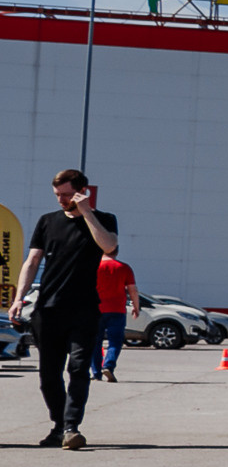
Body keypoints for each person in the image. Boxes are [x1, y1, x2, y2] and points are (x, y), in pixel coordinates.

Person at [10, 168, 119, 449]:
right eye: (58, 194)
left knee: (79, 369)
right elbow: (32, 262)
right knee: (48, 374)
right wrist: (19, 298)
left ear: (83, 192)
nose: (61, 200)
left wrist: (87, 213)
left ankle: (72, 427)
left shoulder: (104, 220)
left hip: (84, 311)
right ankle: (58, 426)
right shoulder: (48, 222)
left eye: (67, 195)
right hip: (47, 310)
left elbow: (109, 247)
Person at [92, 251, 139, 382]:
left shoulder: (93, 266)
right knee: (115, 341)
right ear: (117, 251)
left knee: (95, 342)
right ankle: (108, 365)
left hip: (96, 309)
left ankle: (96, 373)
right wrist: (136, 306)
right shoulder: (124, 267)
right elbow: (132, 289)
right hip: (117, 309)